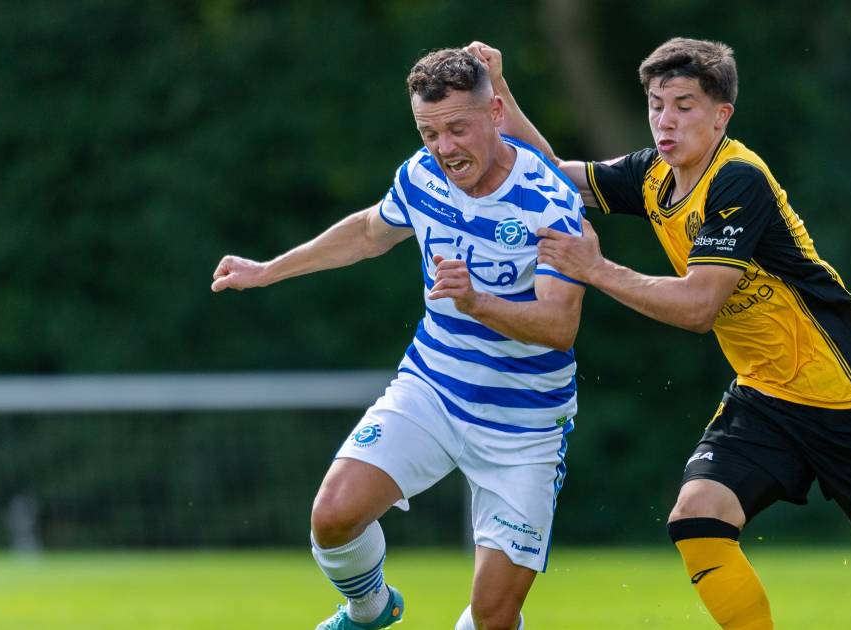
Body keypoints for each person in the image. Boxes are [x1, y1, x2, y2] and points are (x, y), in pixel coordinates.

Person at [468, 38, 851, 630]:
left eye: (683, 106)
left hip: (848, 393)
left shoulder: (737, 180)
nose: (665, 121)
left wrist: (597, 270)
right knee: (697, 519)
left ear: (721, 115)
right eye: (655, 105)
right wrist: (498, 94)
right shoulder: (653, 174)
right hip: (767, 396)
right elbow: (548, 177)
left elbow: (699, 306)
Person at [212, 48, 586, 630]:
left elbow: (559, 326)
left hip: (524, 422)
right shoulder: (421, 176)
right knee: (333, 516)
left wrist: (476, 302)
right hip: (433, 389)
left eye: (457, 128)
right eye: (429, 133)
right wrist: (268, 270)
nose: (444, 148)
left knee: (493, 616)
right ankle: (369, 610)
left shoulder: (550, 201)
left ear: (495, 113)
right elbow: (368, 233)